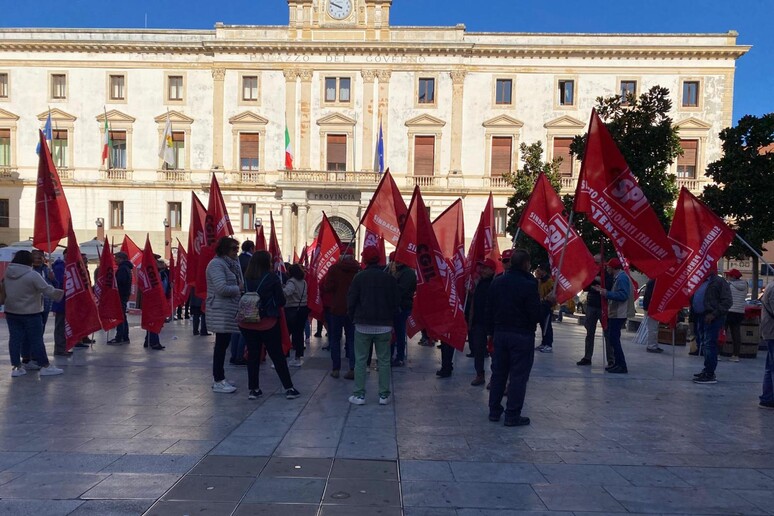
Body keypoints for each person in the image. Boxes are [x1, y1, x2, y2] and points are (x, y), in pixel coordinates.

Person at [485, 248, 542, 426]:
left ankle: (494, 411)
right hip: (522, 335)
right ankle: (512, 414)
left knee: (498, 374)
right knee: (518, 376)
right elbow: (535, 314)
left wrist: (490, 332)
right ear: (526, 264)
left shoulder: (497, 282)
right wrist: (547, 304)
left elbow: (489, 309)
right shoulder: (529, 284)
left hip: (500, 333)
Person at [239, 250, 300, 400]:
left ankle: (253, 389)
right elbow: (281, 301)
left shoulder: (247, 278)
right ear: (267, 262)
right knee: (277, 355)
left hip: (247, 322)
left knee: (253, 356)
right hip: (267, 322)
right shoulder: (272, 277)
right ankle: (289, 388)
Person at [347, 246, 399, 405]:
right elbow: (395, 302)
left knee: (361, 360)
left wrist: (353, 317)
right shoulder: (389, 279)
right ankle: (384, 395)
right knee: (384, 361)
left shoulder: (359, 278)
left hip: (362, 325)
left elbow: (351, 300)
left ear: (364, 260)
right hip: (384, 325)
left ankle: (359, 395)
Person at [3, 250, 65, 377]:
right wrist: (61, 293)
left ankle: (17, 367)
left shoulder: (7, 273)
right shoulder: (32, 275)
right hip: (31, 312)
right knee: (36, 340)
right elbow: (47, 289)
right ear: (28, 261)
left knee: (15, 339)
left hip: (11, 311)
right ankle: (45, 366)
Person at [206, 237, 243, 394]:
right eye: (234, 248)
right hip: (220, 310)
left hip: (228, 310)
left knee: (223, 345)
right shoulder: (216, 264)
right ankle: (218, 380)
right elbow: (221, 288)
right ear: (224, 249)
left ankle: (220, 377)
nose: (237, 251)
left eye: (237, 248)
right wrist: (238, 288)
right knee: (220, 346)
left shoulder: (230, 264)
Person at [323, 247, 360, 379]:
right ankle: (352, 368)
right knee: (352, 339)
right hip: (352, 309)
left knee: (335, 339)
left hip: (336, 308)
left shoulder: (334, 269)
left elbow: (328, 287)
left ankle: (336, 369)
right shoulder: (358, 269)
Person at [690, 268, 732, 384]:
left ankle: (709, 374)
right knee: (703, 344)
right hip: (700, 317)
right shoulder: (698, 281)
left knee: (709, 345)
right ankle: (706, 369)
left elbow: (727, 301)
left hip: (712, 318)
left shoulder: (718, 282)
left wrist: (714, 314)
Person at [595, 258, 635, 374]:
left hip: (619, 313)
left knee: (614, 339)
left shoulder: (621, 278)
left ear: (613, 268)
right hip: (617, 313)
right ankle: (618, 364)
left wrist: (606, 293)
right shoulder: (620, 277)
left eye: (608, 267)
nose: (607, 268)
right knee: (613, 339)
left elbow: (623, 295)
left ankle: (621, 365)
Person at [467, 258, 495, 386]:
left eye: (485, 268)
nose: (482, 270)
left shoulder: (496, 283)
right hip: (478, 323)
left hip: (491, 324)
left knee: (494, 352)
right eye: (482, 267)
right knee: (478, 350)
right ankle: (480, 374)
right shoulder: (479, 283)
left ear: (492, 270)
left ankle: (495, 377)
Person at [390, 253, 416, 367]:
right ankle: (390, 355)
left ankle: (399, 357)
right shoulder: (395, 272)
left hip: (402, 307)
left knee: (399, 332)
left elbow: (401, 290)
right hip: (394, 307)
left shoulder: (407, 273)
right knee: (392, 332)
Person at [283, 263, 309, 367]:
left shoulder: (291, 282)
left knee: (286, 334)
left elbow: (287, 292)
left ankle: (284, 356)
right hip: (303, 308)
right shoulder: (304, 282)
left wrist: (281, 289)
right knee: (298, 334)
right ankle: (297, 357)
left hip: (292, 309)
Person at [144, 259, 169, 350]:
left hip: (159, 299)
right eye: (158, 262)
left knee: (153, 320)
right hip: (155, 300)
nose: (161, 264)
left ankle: (148, 340)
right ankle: (154, 342)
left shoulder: (162, 273)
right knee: (154, 321)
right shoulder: (155, 274)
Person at [109, 251, 133, 344]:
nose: (115, 260)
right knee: (123, 316)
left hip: (120, 294)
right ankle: (125, 336)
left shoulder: (123, 268)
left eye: (117, 258)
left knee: (120, 316)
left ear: (122, 259)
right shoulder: (126, 268)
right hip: (124, 294)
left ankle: (119, 337)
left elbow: (120, 282)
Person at [725, 268, 748, 362]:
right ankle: (736, 355)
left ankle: (718, 353)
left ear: (733, 277)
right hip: (739, 312)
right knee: (736, 334)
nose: (727, 277)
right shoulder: (745, 285)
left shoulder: (728, 285)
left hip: (729, 311)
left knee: (723, 332)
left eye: (729, 275)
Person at [50, 249, 70, 356]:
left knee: (63, 325)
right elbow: (58, 284)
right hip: (61, 300)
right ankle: (59, 349)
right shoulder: (60, 268)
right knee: (60, 325)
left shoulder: (67, 267)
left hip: (67, 301)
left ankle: (63, 347)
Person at [759, 281, 774, 409]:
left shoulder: (771, 286)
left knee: (770, 367)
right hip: (772, 332)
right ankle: (768, 397)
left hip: (770, 331)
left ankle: (768, 398)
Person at [534, 264, 555, 353]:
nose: (536, 272)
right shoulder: (539, 281)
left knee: (547, 326)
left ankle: (548, 344)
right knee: (543, 325)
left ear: (544, 272)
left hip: (547, 307)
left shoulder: (549, 281)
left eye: (539, 271)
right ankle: (543, 343)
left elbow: (553, 291)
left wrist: (546, 298)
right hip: (541, 306)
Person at [642, 278, 664, 354]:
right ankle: (651, 346)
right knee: (652, 328)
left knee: (653, 327)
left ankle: (653, 345)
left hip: (650, 307)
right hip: (651, 308)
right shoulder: (654, 281)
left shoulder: (652, 281)